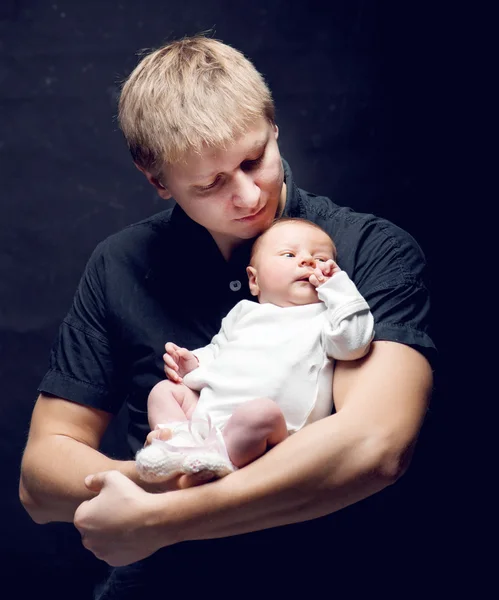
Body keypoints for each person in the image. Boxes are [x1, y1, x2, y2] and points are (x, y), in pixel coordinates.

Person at [19, 35, 435, 595]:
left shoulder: (369, 250)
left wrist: (157, 519)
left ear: (274, 126)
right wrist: (155, 475)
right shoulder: (119, 264)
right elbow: (40, 481)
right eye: (211, 183)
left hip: (331, 576)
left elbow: (377, 446)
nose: (247, 195)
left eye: (253, 158)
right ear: (157, 180)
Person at [136, 217, 374, 481]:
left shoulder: (325, 318)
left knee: (260, 412)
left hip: (272, 434)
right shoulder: (243, 313)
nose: (308, 261)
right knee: (165, 391)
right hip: (208, 417)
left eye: (321, 259)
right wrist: (193, 363)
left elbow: (354, 344)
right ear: (254, 280)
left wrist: (339, 290)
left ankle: (216, 460)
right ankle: (176, 444)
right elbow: (218, 351)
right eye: (289, 254)